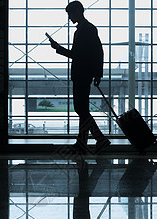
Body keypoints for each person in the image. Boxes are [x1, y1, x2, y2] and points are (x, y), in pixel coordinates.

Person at [49, 1, 110, 154]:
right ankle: (83, 142)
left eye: (70, 14)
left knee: (80, 108)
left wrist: (58, 48)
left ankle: (99, 139)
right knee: (81, 109)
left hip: (82, 74)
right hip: (85, 74)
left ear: (77, 11)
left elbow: (79, 54)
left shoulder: (86, 30)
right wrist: (97, 74)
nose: (69, 17)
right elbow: (98, 52)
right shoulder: (86, 29)